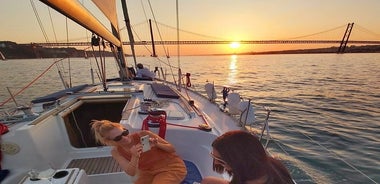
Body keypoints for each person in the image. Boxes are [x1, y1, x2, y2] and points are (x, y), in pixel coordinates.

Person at [91, 120, 187, 184]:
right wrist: (135, 156)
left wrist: (157, 144)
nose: (125, 138)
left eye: (124, 133)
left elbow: (172, 149)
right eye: (118, 138)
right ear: (111, 141)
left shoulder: (144, 134)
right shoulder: (116, 151)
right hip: (147, 172)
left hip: (170, 167)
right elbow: (131, 172)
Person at [201, 130, 294, 184]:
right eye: (214, 157)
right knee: (207, 181)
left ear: (238, 161)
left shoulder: (254, 181)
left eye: (220, 160)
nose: (216, 163)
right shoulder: (269, 163)